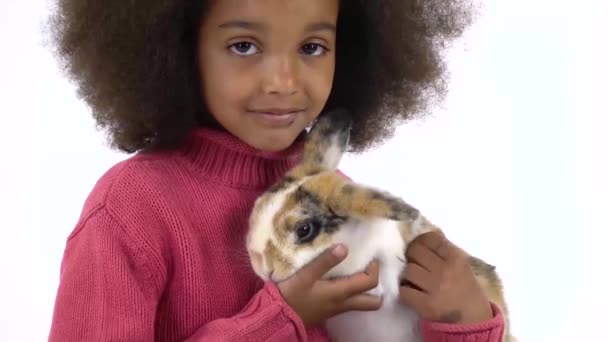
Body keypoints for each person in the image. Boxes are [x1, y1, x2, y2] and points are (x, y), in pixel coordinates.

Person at [46, 0, 506, 341]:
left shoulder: (336, 200)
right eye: (244, 45)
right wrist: (279, 320)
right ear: (180, 49)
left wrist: (464, 323)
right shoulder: (130, 210)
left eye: (312, 46)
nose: (284, 82)